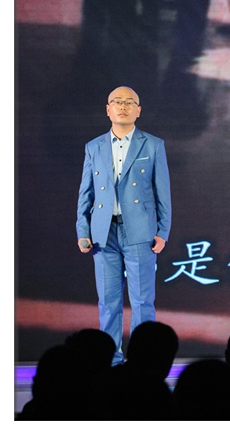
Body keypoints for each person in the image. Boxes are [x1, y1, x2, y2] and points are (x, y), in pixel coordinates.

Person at [76, 85, 172, 365]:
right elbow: (86, 193)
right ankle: (111, 361)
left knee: (142, 301)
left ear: (138, 111)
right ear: (108, 109)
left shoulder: (152, 145)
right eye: (117, 102)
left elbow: (163, 192)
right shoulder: (93, 147)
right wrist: (83, 230)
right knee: (108, 302)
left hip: (140, 232)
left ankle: (145, 362)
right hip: (103, 233)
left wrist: (163, 231)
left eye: (129, 102)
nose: (123, 106)